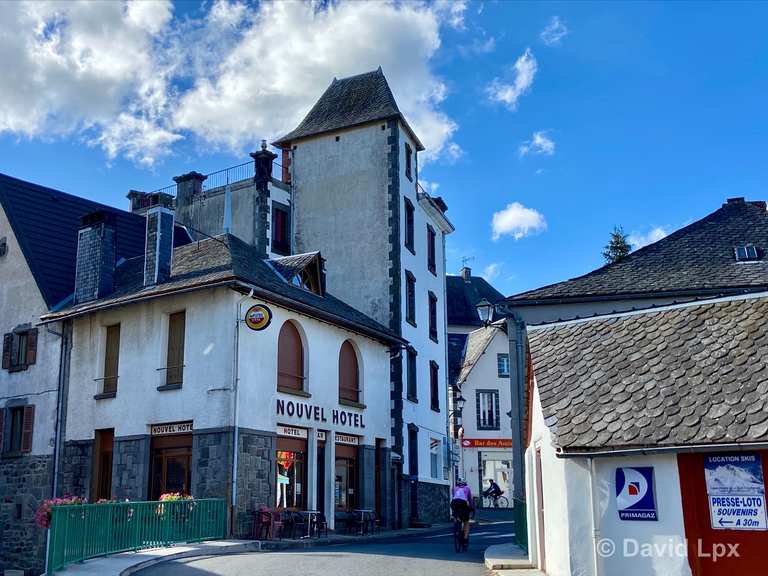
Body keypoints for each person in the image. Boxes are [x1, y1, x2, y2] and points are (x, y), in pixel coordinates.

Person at [450, 479, 474, 547]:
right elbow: (470, 499)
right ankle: (465, 539)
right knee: (466, 522)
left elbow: (454, 496)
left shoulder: (454, 488)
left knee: (456, 515)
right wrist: (471, 508)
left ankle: (456, 525)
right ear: (465, 483)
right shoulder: (467, 488)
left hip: (454, 503)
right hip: (463, 503)